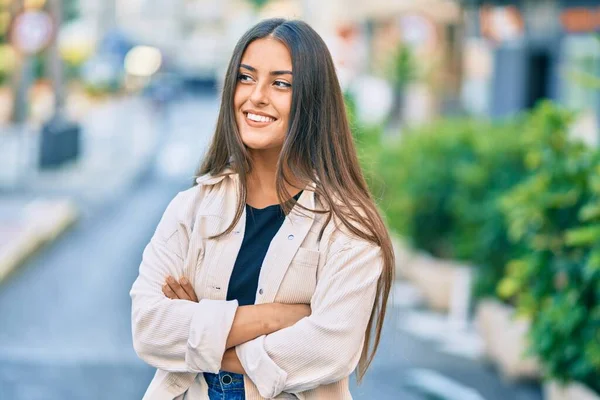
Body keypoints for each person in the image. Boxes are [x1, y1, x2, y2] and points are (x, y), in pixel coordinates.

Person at [130, 18, 394, 400]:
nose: (256, 96)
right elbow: (149, 327)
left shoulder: (347, 225)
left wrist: (202, 332)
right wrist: (275, 318)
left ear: (313, 99)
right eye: (246, 77)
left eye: (281, 83)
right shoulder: (191, 208)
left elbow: (328, 350)